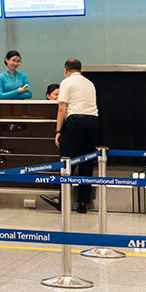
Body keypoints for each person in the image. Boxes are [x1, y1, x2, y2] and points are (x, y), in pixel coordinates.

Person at [56, 58, 100, 213]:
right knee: (87, 162)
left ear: (65, 70)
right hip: (93, 122)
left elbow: (62, 108)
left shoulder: (66, 82)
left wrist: (58, 131)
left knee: (67, 161)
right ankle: (83, 203)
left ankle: (63, 201)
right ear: (81, 71)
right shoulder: (90, 83)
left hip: (76, 122)